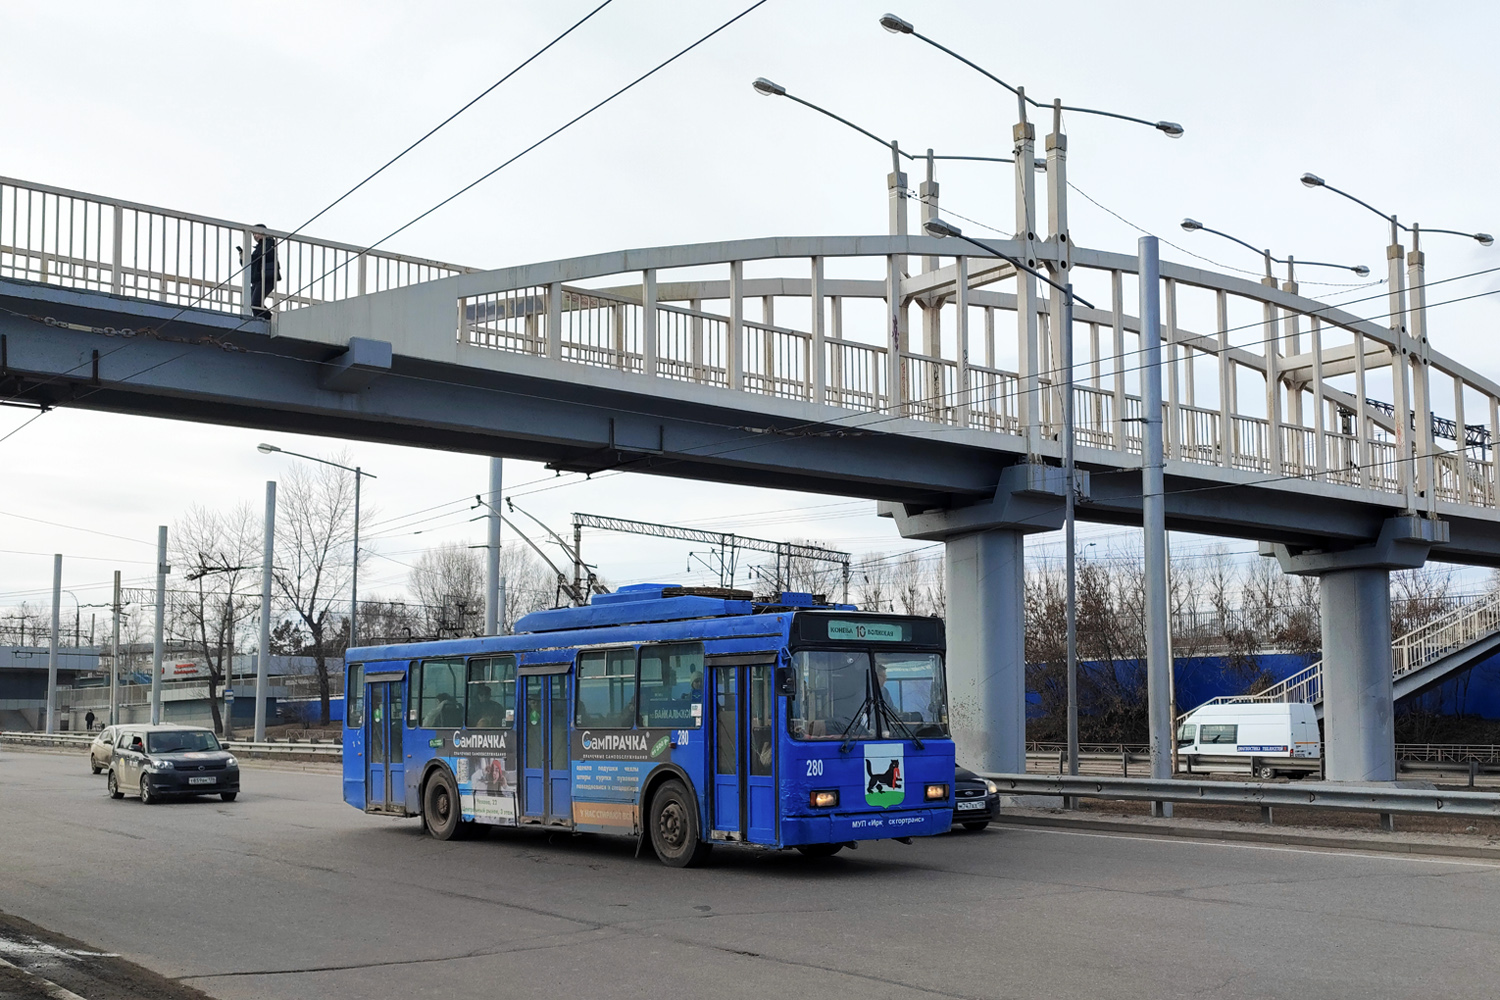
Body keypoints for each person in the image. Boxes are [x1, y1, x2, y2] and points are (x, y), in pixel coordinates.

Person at [239, 227, 280, 319]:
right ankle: (266, 319)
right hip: (257, 279)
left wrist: (249, 257)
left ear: (263, 233)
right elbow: (250, 264)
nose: (255, 236)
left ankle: (270, 320)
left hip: (266, 278)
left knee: (255, 303)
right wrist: (243, 258)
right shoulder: (259, 248)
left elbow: (265, 255)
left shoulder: (269, 243)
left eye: (256, 233)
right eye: (253, 234)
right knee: (252, 303)